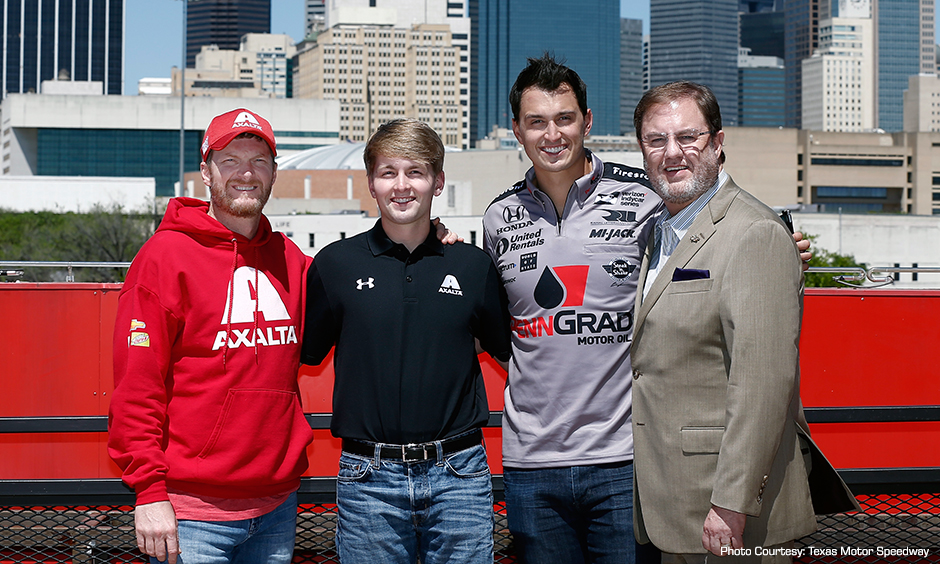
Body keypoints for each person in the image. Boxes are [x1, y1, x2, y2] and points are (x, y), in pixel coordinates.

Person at [630, 81, 860, 563]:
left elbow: (762, 384)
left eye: (688, 137)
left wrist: (731, 504)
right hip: (669, 507)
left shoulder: (753, 232)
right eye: (656, 140)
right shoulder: (656, 233)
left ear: (717, 143)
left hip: (730, 521)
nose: (673, 153)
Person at [301, 118, 512, 564]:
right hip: (367, 478)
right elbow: (303, 352)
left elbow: (510, 350)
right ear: (371, 184)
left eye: (416, 172)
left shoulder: (474, 266)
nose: (402, 185)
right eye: (388, 172)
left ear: (438, 182)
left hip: (459, 472)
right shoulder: (334, 265)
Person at [108, 108, 313, 564]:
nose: (246, 173)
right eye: (230, 160)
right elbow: (137, 389)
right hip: (191, 516)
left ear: (274, 173)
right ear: (205, 171)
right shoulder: (164, 258)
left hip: (277, 506)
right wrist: (149, 491)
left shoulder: (291, 259)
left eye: (259, 161)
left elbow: (363, 295)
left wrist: (434, 244)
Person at [481, 53, 660, 564]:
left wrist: (782, 247)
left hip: (625, 459)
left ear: (586, 121)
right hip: (531, 463)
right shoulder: (499, 216)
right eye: (536, 122)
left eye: (564, 119)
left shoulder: (643, 198)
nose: (552, 134)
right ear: (516, 129)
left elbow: (707, 257)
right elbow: (490, 319)